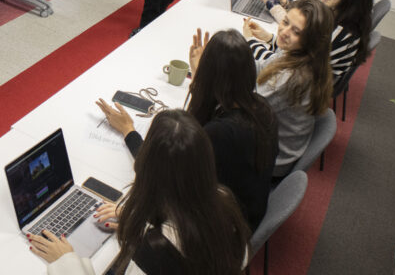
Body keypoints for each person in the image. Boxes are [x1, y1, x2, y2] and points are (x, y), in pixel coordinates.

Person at [97, 29, 278, 232]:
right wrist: (201, 78)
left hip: (220, 231)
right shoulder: (262, 108)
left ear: (210, 76)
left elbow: (158, 168)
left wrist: (128, 130)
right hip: (246, 210)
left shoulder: (219, 133)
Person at [30, 110, 250, 275]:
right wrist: (139, 221)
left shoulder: (155, 253)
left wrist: (66, 262)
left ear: (148, 168)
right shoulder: (225, 200)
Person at [243, 0, 334, 177]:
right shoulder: (306, 56)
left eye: (296, 31)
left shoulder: (292, 77)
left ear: (311, 40)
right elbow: (264, 67)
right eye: (285, 22)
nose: (284, 32)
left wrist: (207, 72)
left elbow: (243, 107)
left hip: (270, 161)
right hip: (278, 145)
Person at [252, 0, 372, 85]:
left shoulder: (336, 32)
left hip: (295, 85)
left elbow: (279, 67)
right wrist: (269, 38)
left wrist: (250, 42)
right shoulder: (341, 14)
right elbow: (296, 50)